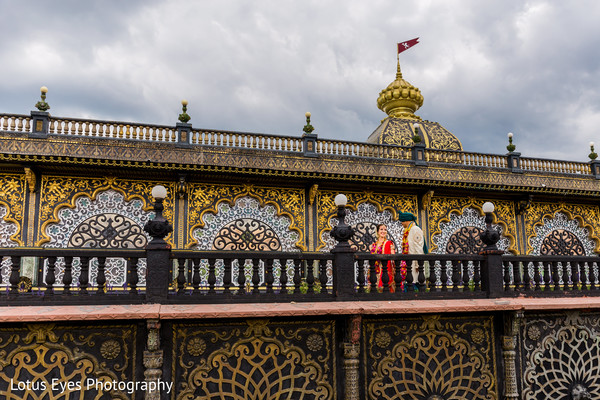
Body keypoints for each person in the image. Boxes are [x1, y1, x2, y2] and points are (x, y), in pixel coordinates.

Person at [398, 212, 427, 288]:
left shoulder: (415, 229)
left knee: (416, 284)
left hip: (415, 265)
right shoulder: (408, 230)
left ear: (406, 220)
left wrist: (418, 264)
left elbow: (418, 248)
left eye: (402, 221)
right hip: (409, 264)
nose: (401, 223)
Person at [370, 224, 398, 292]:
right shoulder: (373, 245)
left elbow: (393, 258)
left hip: (385, 269)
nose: (383, 231)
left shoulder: (389, 243)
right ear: (377, 231)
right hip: (376, 270)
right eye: (381, 229)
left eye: (385, 230)